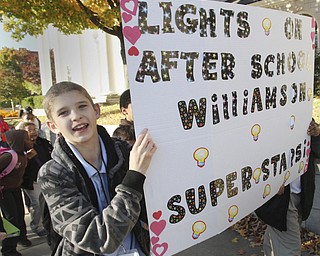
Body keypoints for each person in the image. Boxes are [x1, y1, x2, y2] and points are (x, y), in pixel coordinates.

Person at [38, 81, 157, 255]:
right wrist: (135, 177)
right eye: (64, 113)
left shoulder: (126, 153)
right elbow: (99, 239)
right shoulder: (53, 174)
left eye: (82, 106)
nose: (76, 116)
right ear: (53, 126)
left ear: (96, 110)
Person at [256, 119, 320, 256]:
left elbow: (316, 151)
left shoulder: (302, 113)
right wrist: (269, 183)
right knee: (290, 247)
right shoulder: (263, 119)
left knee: (277, 234)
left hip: (299, 194)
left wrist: (316, 135)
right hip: (281, 199)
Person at [0, 130, 33, 256]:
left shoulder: (23, 155)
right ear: (18, 142)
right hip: (4, 191)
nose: (30, 141)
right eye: (27, 139)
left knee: (19, 215)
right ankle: (8, 250)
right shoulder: (9, 156)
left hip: (15, 189)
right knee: (11, 219)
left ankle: (21, 237)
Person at [18, 121, 52, 237]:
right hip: (31, 180)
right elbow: (17, 165)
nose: (33, 132)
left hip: (46, 178)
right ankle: (37, 226)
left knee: (47, 202)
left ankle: (48, 223)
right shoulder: (20, 147)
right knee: (36, 203)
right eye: (30, 130)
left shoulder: (43, 143)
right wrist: (26, 157)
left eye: (35, 129)